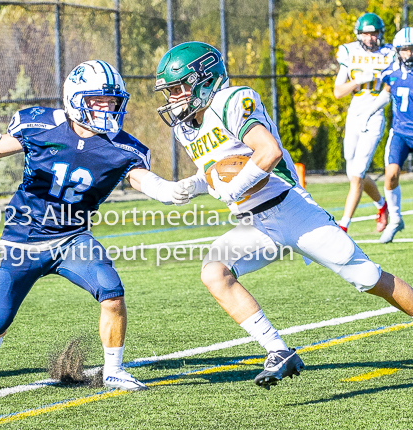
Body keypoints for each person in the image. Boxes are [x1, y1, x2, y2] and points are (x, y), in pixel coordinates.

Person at [154, 41, 413, 389]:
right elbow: (220, 169)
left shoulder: (232, 101)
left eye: (178, 89)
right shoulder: (187, 126)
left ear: (204, 79)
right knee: (215, 272)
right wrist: (192, 185)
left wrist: (233, 188)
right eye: (170, 91)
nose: (174, 99)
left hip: (291, 210)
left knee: (369, 278)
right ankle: (278, 350)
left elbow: (268, 151)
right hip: (256, 223)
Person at [0, 60, 191, 391]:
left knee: (112, 293)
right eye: (98, 100)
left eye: (112, 101)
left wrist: (165, 190)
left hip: (72, 238)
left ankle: (113, 370)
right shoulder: (40, 124)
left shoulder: (121, 146)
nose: (107, 108)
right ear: (75, 98)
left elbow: (139, 177)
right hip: (23, 238)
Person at [333, 12, 393, 233]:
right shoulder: (349, 52)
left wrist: (374, 106)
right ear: (359, 35)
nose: (370, 38)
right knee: (353, 171)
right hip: (354, 114)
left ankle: (343, 225)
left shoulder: (390, 54)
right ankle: (381, 205)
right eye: (366, 34)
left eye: (374, 33)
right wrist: (358, 80)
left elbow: (390, 88)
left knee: (357, 173)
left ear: (380, 34)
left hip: (375, 114)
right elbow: (338, 92)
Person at [358, 27, 413, 243]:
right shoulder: (390, 72)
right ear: (398, 51)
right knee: (390, 175)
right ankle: (396, 219)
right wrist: (368, 113)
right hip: (400, 132)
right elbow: (387, 94)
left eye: (412, 49)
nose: (408, 54)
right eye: (405, 50)